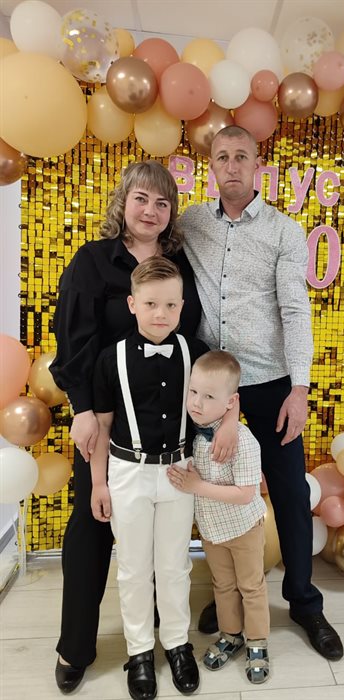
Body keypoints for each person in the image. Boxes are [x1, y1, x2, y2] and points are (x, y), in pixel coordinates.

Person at [49, 160, 235, 693]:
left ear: (171, 212)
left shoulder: (179, 265)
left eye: (162, 202)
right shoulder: (92, 261)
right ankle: (76, 647)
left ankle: (166, 640)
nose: (150, 211)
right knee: (92, 527)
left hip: (171, 431)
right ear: (123, 202)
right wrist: (83, 409)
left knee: (166, 549)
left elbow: (197, 339)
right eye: (141, 199)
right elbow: (73, 340)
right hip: (104, 418)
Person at [178, 125, 344, 661]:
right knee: (213, 488)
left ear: (257, 165)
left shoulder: (284, 231)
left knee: (290, 492)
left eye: (241, 156)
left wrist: (300, 389)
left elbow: (296, 310)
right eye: (222, 156)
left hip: (270, 382)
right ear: (211, 165)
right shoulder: (191, 223)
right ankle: (227, 595)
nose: (231, 165)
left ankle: (304, 601)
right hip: (211, 388)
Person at [90, 257, 207, 699]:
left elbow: (219, 401)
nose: (161, 314)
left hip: (180, 472)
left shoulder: (196, 353)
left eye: (171, 305)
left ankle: (177, 643)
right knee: (134, 568)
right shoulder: (110, 359)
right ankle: (139, 651)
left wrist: (231, 422)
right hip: (128, 472)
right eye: (152, 304)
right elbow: (102, 426)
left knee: (175, 565)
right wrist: (98, 483)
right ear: (132, 304)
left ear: (182, 306)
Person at [169, 350, 270, 685]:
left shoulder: (243, 441)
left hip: (243, 528)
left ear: (231, 402)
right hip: (212, 530)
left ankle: (258, 642)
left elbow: (245, 494)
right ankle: (231, 634)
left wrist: (197, 486)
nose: (197, 403)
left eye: (209, 396)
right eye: (193, 392)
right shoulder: (192, 434)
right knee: (222, 585)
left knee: (251, 586)